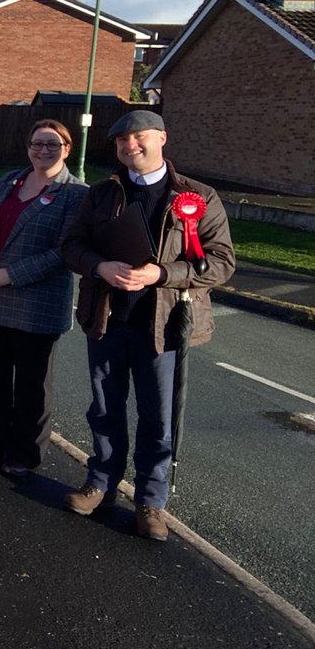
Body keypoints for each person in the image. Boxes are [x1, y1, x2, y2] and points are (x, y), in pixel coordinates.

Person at [60, 110, 234, 542]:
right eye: (121, 141)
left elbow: (223, 263)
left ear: (162, 139)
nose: (129, 146)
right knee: (104, 409)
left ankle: (151, 502)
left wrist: (162, 274)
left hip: (165, 326)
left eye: (139, 138)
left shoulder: (198, 197)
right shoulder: (101, 193)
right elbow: (70, 245)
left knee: (159, 417)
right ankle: (100, 483)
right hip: (106, 319)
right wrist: (100, 265)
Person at [0, 120, 87, 475]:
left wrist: (10, 275)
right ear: (27, 147)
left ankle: (24, 454)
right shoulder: (10, 180)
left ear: (67, 148)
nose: (43, 150)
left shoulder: (76, 193)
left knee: (33, 387)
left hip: (37, 308)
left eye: (53, 144)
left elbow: (65, 251)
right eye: (37, 143)